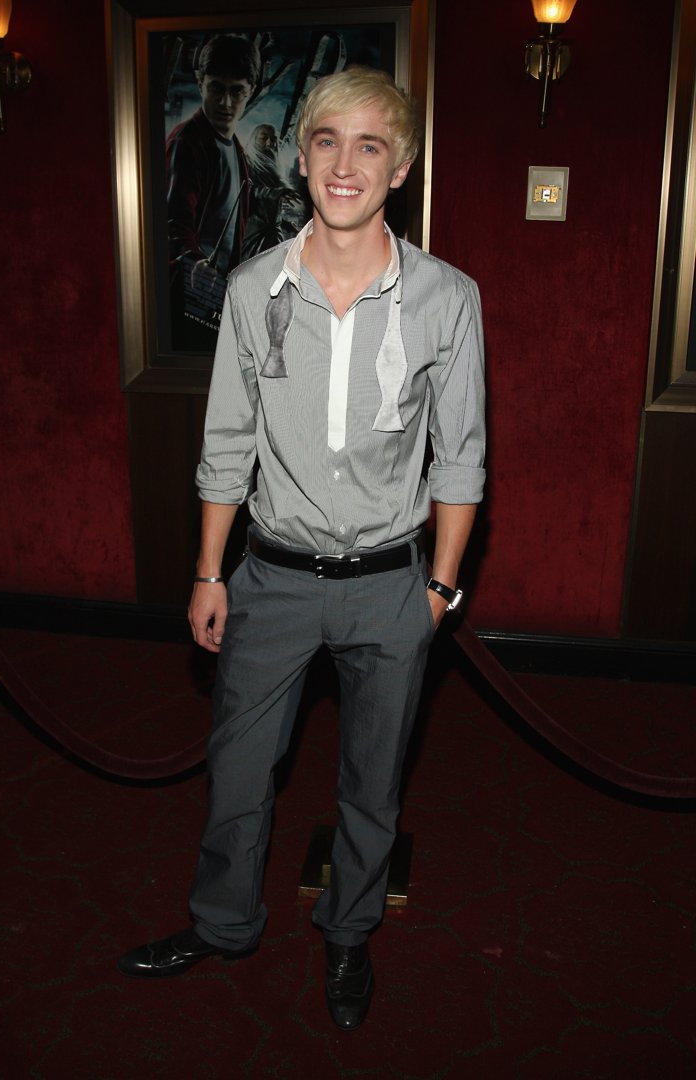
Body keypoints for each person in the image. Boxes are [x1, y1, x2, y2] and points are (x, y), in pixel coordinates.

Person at [118, 66, 486, 1032]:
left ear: (400, 167)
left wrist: (440, 589)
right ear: (304, 155)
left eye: (371, 144)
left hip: (391, 587)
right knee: (238, 774)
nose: (346, 162)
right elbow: (226, 444)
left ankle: (350, 935)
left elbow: (463, 456)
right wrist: (208, 571)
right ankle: (224, 922)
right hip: (270, 579)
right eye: (327, 139)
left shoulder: (447, 298)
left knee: (373, 782)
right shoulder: (251, 289)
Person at [166, 34, 259, 346]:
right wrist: (193, 262)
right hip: (189, 295)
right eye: (217, 88)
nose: (226, 103)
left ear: (251, 92)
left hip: (219, 297)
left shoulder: (236, 150)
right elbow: (173, 221)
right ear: (199, 82)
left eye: (237, 92)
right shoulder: (188, 143)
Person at [242, 123, 306, 257]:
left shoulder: (274, 168)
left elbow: (268, 210)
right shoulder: (247, 163)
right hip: (252, 235)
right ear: (254, 139)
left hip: (272, 238)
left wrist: (286, 224)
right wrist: (277, 193)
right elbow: (247, 191)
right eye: (263, 138)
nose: (270, 142)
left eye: (273, 138)